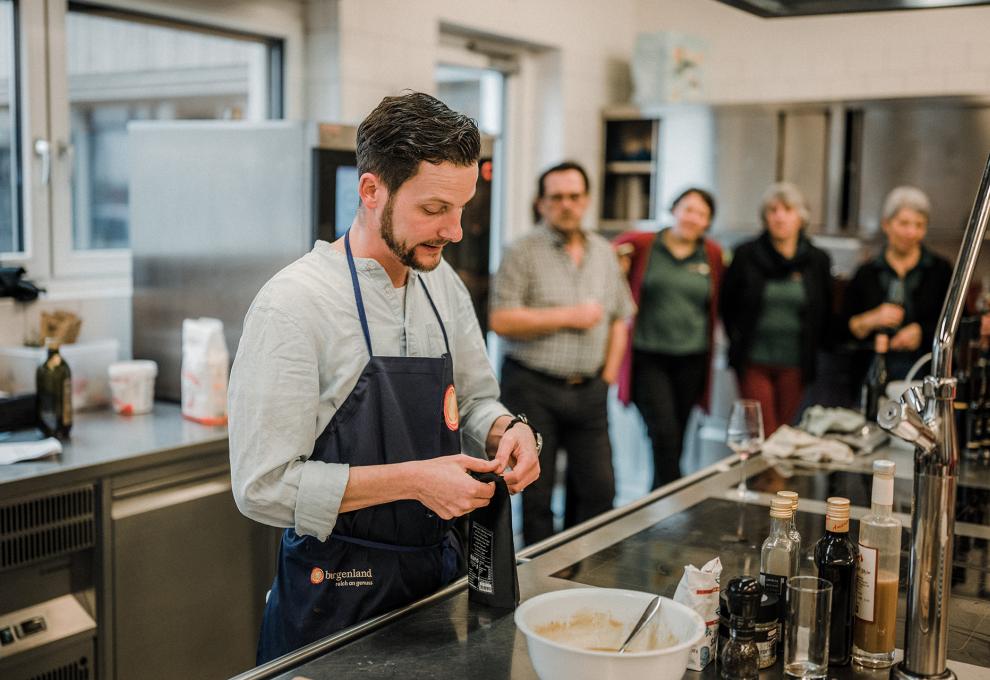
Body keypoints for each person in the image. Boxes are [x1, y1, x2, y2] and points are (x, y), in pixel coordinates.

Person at [228, 92, 541, 663]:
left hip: (435, 585)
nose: (456, 230)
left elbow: (473, 401)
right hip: (335, 597)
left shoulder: (442, 284)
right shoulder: (293, 306)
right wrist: (416, 481)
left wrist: (507, 429)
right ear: (371, 190)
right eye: (435, 209)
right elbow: (262, 485)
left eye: (463, 208)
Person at [489, 161, 634, 545]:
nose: (566, 205)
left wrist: (607, 377)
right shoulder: (521, 252)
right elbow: (501, 320)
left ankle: (583, 569)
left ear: (586, 200)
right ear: (541, 203)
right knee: (537, 494)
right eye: (556, 197)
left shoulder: (604, 251)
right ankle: (541, 582)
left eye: (574, 196)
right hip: (533, 387)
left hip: (589, 389)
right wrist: (570, 316)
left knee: (599, 490)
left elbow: (621, 317)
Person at [613, 188, 725, 489]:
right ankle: (673, 501)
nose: (692, 218)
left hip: (692, 359)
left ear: (708, 222)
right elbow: (610, 257)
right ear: (673, 210)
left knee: (676, 438)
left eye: (701, 214)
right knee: (662, 433)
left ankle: (660, 504)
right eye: (688, 209)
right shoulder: (644, 244)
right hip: (648, 356)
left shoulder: (712, 254)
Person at [720, 182, 833, 435]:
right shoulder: (745, 254)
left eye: (787, 210)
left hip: (796, 362)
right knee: (764, 433)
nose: (779, 216)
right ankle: (764, 476)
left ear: (800, 217)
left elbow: (823, 311)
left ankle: (772, 477)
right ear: (765, 217)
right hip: (753, 360)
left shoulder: (817, 260)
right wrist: (736, 338)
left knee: (783, 434)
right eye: (773, 210)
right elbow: (727, 306)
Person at [841, 186, 952, 386]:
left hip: (925, 376)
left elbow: (958, 325)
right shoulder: (867, 273)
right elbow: (839, 331)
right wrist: (872, 319)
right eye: (904, 223)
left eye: (919, 225)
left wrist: (922, 333)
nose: (911, 232)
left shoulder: (940, 270)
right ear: (886, 224)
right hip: (871, 377)